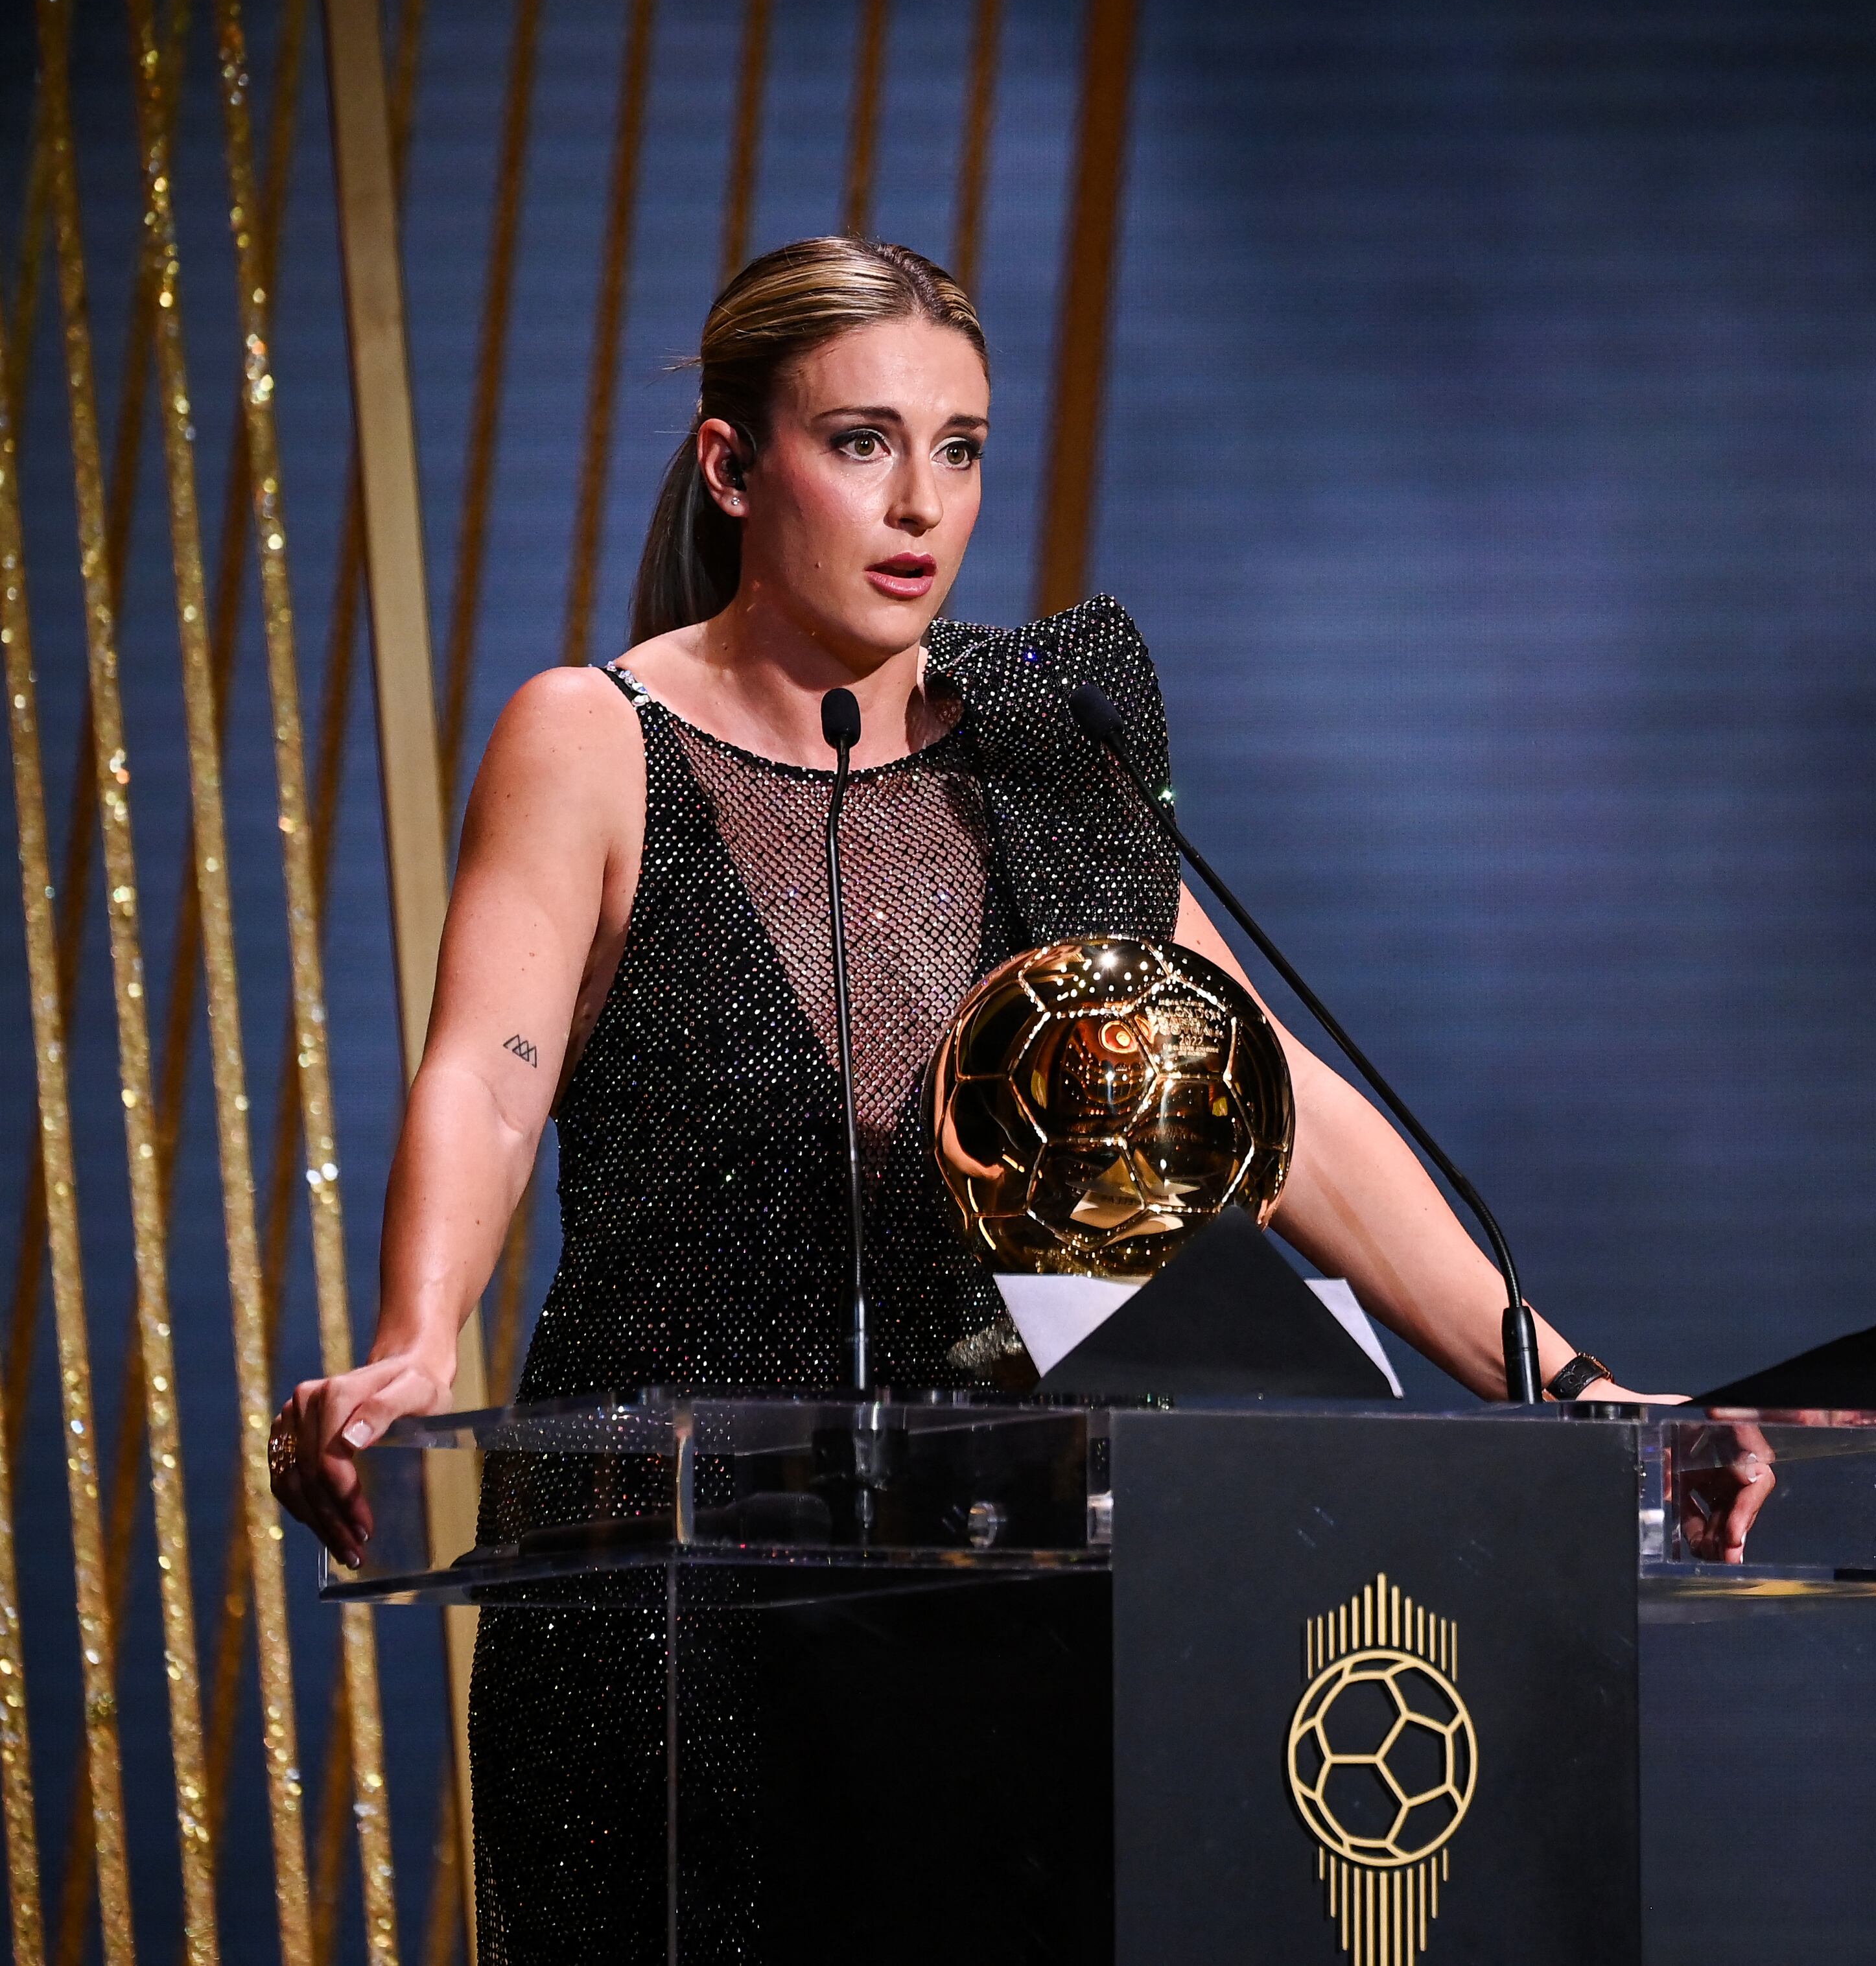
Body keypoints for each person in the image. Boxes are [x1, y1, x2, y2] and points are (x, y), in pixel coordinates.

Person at [266, 237, 1678, 1958]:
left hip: (1000, 1589)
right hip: (669, 1601)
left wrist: (1565, 1379)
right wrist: (417, 1340)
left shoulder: (1041, 749)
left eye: (962, 447)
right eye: (862, 441)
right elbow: (487, 1076)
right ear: (732, 464)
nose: (921, 501)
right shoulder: (596, 735)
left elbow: (1269, 1102)